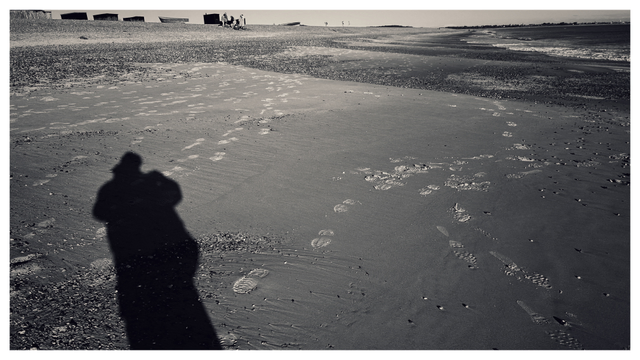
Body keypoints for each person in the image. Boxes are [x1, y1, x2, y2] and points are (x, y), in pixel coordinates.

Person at [93, 152, 222, 350]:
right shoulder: (141, 185)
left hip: (143, 250)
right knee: (174, 296)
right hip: (158, 247)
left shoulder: (131, 185)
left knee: (153, 299)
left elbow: (100, 213)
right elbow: (100, 213)